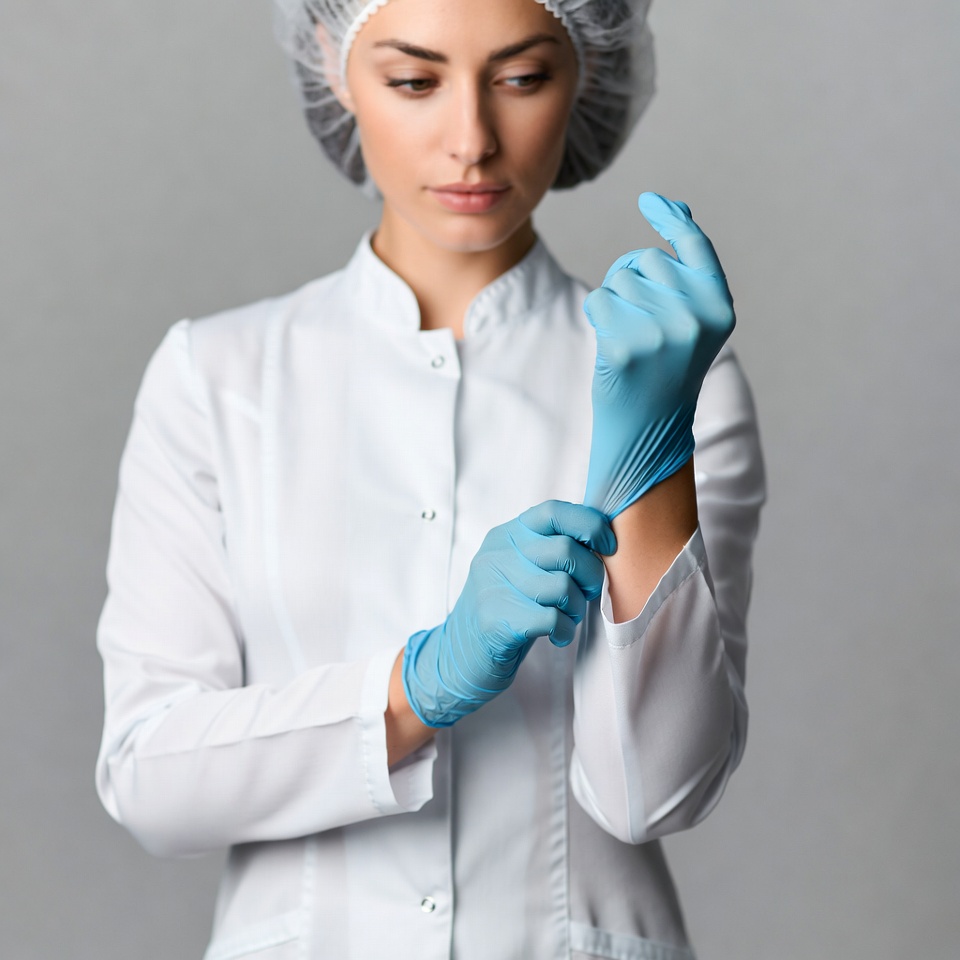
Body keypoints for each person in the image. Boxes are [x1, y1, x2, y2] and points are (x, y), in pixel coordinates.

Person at [95, 0, 765, 957]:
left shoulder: (675, 376)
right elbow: (148, 774)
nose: (471, 141)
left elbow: (656, 793)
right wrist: (417, 686)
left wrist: (652, 449)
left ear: (586, 73)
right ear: (333, 58)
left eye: (523, 78)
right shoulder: (217, 378)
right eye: (414, 80)